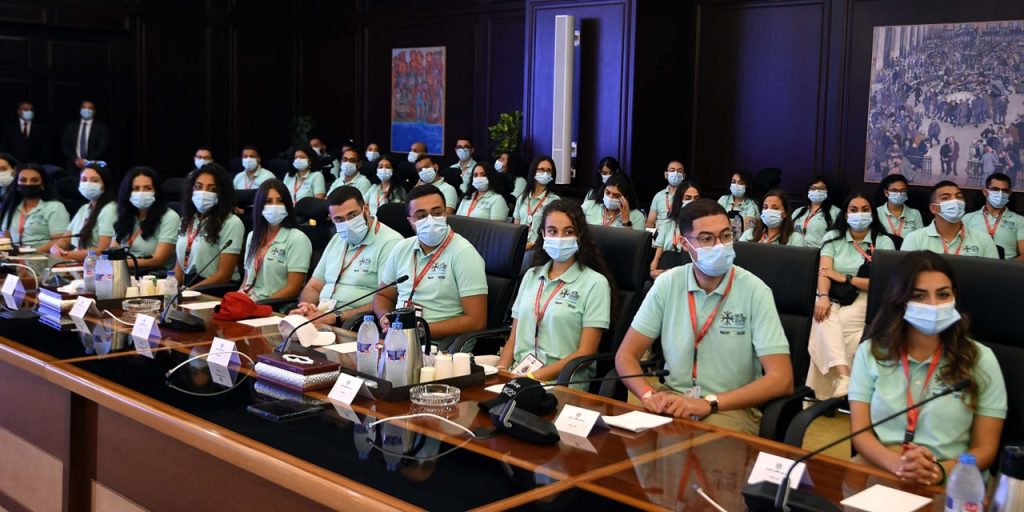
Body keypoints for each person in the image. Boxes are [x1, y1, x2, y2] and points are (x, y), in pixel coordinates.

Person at [616, 199, 793, 434]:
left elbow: (782, 378)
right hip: (671, 400)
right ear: (684, 244)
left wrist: (710, 403)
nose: (719, 245)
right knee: (621, 446)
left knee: (702, 451)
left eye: (726, 236)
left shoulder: (755, 291)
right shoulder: (667, 284)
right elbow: (626, 355)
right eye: (707, 239)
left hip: (729, 408)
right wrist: (648, 394)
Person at [849, 251, 1006, 484]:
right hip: (882, 467)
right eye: (919, 296)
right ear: (900, 301)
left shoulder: (981, 359)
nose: (933, 305)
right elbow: (860, 433)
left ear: (954, 297)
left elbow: (986, 448)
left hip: (953, 476)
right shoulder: (870, 352)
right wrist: (898, 465)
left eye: (943, 294)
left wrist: (938, 471)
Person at [498, 199, 612, 385]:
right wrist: (501, 370)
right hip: (518, 376)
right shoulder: (531, 275)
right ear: (543, 234)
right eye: (552, 231)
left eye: (568, 232)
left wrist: (533, 378)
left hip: (562, 383)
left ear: (579, 236)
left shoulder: (595, 283)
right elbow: (513, 338)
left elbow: (586, 353)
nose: (559, 238)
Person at [808, 193, 895, 399]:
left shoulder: (883, 242)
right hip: (833, 295)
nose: (859, 214)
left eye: (865, 209)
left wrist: (846, 278)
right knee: (824, 317)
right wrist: (823, 296)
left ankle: (820, 396)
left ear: (872, 214)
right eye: (854, 210)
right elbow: (824, 272)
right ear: (846, 215)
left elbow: (881, 284)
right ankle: (845, 377)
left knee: (828, 327)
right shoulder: (833, 237)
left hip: (867, 297)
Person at [374, 184, 488, 341]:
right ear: (411, 221)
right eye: (421, 216)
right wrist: (384, 317)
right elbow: (383, 295)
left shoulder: (464, 253)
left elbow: (476, 322)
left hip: (440, 345)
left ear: (445, 213)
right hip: (399, 338)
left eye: (437, 213)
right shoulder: (401, 248)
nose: (430, 220)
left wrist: (419, 331)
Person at [291, 186, 403, 325]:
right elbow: (314, 286)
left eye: (352, 216)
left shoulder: (390, 243)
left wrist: (333, 317)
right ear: (331, 219)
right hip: (320, 317)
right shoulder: (337, 238)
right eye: (339, 219)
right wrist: (306, 306)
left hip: (354, 323)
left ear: (366, 209)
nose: (347, 224)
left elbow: (386, 299)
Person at [239, 180, 311, 301]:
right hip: (248, 301)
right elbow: (246, 280)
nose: (274, 206)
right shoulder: (252, 236)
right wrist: (238, 297)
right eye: (268, 201)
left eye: (280, 201)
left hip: (273, 305)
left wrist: (258, 306)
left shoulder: (298, 238)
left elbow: (293, 289)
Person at [175, 163, 244, 287]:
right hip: (188, 286)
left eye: (212, 189)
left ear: (221, 194)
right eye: (198, 187)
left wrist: (189, 291)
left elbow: (224, 276)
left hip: (214, 289)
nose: (203, 193)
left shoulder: (231, 223)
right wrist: (169, 288)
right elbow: (180, 265)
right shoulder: (187, 219)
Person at [900, 181, 998, 258]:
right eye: (946, 198)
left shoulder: (984, 240)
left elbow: (993, 275)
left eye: (959, 197)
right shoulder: (914, 239)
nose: (955, 201)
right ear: (933, 208)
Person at [112, 166, 180, 269]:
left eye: (148, 188)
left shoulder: (170, 217)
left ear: (156, 191)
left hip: (153, 275)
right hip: (123, 272)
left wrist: (119, 263)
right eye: (136, 188)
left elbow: (159, 259)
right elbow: (113, 250)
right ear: (127, 193)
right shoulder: (125, 215)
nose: (141, 193)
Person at [49, 162, 117, 260]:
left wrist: (67, 255)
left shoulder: (110, 209)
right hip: (77, 262)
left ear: (105, 184)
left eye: (95, 180)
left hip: (95, 265)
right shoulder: (84, 208)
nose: (88, 184)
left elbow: (103, 250)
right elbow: (65, 241)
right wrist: (56, 248)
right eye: (84, 180)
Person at [0, 163, 69, 253]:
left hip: (43, 257)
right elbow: (5, 236)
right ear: (17, 184)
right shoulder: (11, 206)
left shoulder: (55, 207)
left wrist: (31, 253)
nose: (28, 184)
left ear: (42, 184)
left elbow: (58, 241)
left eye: (34, 180)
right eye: (23, 180)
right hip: (14, 258)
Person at [962, 172, 1024, 260]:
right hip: (974, 264)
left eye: (1004, 191)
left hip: (1007, 265)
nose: (1000, 193)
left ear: (1009, 193)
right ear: (985, 192)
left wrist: (1004, 266)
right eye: (995, 189)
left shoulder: (1020, 221)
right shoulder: (968, 218)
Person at [650, 182, 701, 279]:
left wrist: (673, 273)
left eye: (696, 198)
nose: (692, 201)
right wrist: (652, 271)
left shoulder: (702, 226)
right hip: (664, 270)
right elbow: (657, 256)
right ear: (680, 199)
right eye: (688, 198)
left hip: (686, 272)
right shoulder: (668, 223)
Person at [513, 155, 560, 251]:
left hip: (539, 248)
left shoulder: (555, 201)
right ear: (533, 171)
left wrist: (531, 245)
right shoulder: (522, 198)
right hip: (519, 246)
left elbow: (553, 232)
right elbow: (516, 227)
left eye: (549, 171)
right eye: (541, 170)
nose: (545, 173)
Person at [739, 189, 805, 246]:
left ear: (785, 213)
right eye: (765, 207)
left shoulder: (796, 239)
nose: (769, 211)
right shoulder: (749, 234)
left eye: (775, 208)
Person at [60, 100, 109, 172]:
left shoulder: (101, 127)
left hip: (93, 166)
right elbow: (65, 145)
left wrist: (86, 161)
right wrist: (75, 159)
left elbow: (102, 147)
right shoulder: (71, 126)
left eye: (89, 108)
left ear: (94, 111)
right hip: (73, 166)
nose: (86, 110)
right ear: (80, 110)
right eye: (84, 108)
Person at [792, 176, 840, 248]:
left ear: (828, 191)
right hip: (795, 251)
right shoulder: (798, 211)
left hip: (820, 252)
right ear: (808, 191)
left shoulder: (835, 212)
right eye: (813, 188)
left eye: (822, 188)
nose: (817, 191)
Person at [876, 174, 923, 238]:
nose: (899, 194)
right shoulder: (877, 213)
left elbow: (921, 238)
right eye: (894, 190)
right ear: (886, 193)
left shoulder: (915, 213)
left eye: (902, 190)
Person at [646, 160, 686, 230]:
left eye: (679, 171)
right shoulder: (658, 196)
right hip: (659, 234)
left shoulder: (688, 196)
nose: (675, 173)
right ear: (666, 174)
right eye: (672, 170)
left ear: (684, 176)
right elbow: (650, 221)